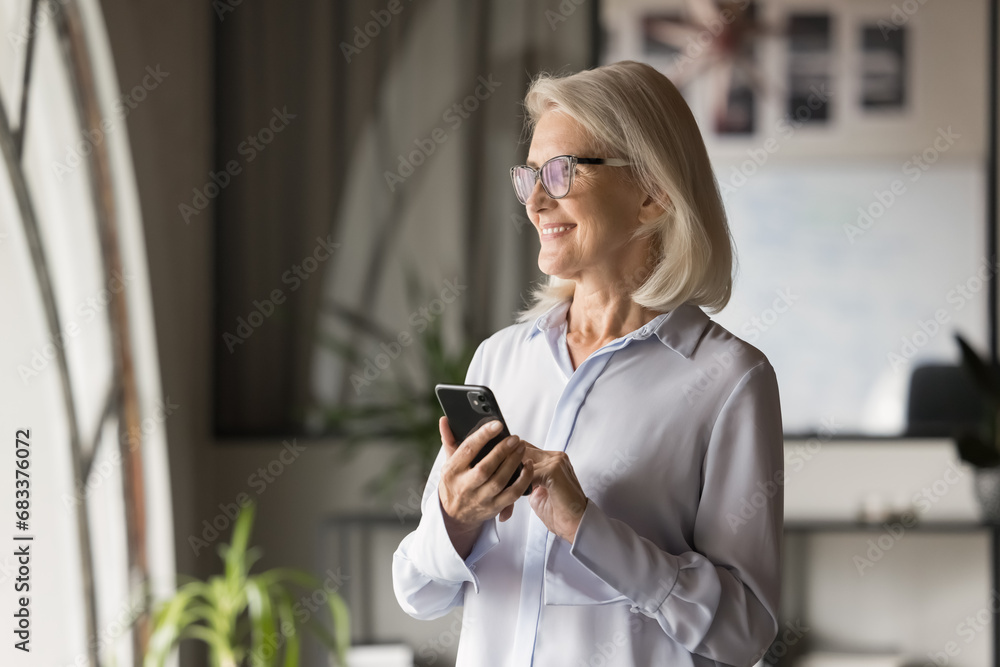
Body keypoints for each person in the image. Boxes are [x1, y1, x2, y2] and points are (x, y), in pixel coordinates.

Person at [392, 60, 783, 667]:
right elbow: (417, 591)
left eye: (561, 171)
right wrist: (455, 518)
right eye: (529, 177)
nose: (537, 201)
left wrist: (587, 528)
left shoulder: (729, 380)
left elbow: (744, 632)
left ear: (652, 192)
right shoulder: (497, 360)